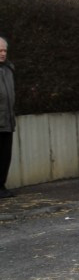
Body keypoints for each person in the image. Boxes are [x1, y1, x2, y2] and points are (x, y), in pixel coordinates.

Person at [0, 36, 16, 198]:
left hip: (8, 121)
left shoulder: (9, 69)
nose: (3, 53)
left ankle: (2, 186)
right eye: (0, 51)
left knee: (5, 156)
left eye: (4, 50)